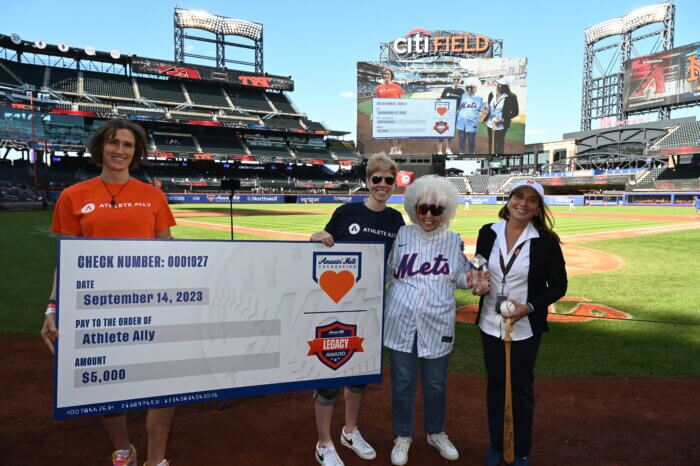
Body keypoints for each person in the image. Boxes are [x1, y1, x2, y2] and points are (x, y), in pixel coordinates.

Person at [40, 119, 176, 466]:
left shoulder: (153, 196)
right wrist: (52, 308)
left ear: (137, 152)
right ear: (100, 146)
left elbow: (169, 252)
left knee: (163, 385)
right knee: (104, 385)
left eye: (128, 145)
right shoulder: (72, 196)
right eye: (113, 142)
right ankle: (123, 449)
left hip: (151, 304)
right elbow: (66, 261)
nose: (120, 150)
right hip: (95, 307)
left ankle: (156, 459)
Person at [310, 154, 405, 466]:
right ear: (368, 181)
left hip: (371, 310)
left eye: (388, 180)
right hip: (336, 308)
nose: (382, 185)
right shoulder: (346, 211)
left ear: (394, 184)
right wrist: (317, 237)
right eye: (376, 179)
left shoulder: (395, 221)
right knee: (329, 373)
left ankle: (350, 430)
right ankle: (324, 442)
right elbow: (322, 248)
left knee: (359, 375)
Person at [384, 175, 482, 466]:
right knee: (402, 383)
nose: (428, 215)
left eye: (436, 210)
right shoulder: (402, 236)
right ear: (415, 207)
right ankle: (403, 435)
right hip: (400, 319)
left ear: (446, 212)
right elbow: (387, 271)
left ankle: (435, 432)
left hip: (437, 322)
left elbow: (462, 278)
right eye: (423, 208)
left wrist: (476, 280)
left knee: (436, 383)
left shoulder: (453, 241)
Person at [474, 179, 567, 466]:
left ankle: (520, 448)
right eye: (518, 196)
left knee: (521, 389)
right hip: (490, 322)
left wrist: (528, 307)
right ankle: (496, 444)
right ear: (508, 199)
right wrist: (477, 280)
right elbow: (479, 264)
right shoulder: (488, 232)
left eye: (531, 199)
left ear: (538, 207)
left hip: (524, 327)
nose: (522, 203)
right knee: (496, 385)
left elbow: (558, 286)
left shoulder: (545, 242)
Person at [374, 68, 404, 155]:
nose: (386, 76)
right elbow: (378, 101)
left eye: (388, 74)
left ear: (391, 76)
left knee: (399, 132)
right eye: (385, 74)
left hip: (397, 111)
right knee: (387, 131)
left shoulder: (397, 87)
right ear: (382, 75)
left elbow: (402, 100)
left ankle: (399, 149)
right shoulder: (378, 88)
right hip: (385, 112)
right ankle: (393, 147)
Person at [485, 77, 519, 155]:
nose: (498, 86)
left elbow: (515, 112)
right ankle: (490, 159)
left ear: (505, 87)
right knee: (491, 143)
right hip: (490, 123)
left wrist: (502, 120)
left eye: (501, 85)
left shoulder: (511, 97)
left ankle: (498, 161)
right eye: (498, 84)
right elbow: (489, 107)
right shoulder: (491, 94)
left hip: (502, 124)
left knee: (499, 145)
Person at [437, 71, 465, 155]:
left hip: (455, 114)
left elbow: (463, 104)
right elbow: (441, 100)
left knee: (451, 132)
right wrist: (438, 100)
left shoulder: (462, 91)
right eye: (454, 79)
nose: (456, 80)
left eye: (458, 79)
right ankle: (439, 150)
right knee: (441, 130)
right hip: (443, 114)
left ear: (460, 80)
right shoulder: (447, 89)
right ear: (452, 80)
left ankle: (448, 148)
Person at [457, 77, 485, 155]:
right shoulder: (463, 95)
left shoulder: (479, 98)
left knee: (471, 140)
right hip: (461, 121)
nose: (469, 89)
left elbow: (483, 110)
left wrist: (484, 112)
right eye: (468, 87)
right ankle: (461, 152)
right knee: (461, 139)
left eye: (471, 87)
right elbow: (458, 106)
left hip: (472, 122)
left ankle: (472, 153)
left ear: (475, 88)